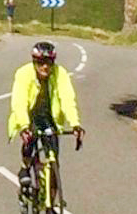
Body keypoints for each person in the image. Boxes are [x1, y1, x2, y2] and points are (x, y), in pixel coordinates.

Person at [8, 40, 82, 188]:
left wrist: (75, 124)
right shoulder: (24, 73)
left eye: (49, 62)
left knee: (53, 161)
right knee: (30, 138)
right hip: (29, 116)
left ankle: (51, 207)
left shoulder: (60, 73)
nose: (45, 67)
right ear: (35, 62)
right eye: (41, 62)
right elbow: (19, 101)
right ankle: (25, 167)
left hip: (49, 118)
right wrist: (23, 126)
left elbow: (67, 98)